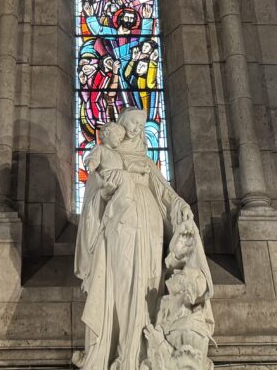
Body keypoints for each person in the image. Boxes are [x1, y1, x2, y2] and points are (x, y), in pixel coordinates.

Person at [74, 108, 193, 370]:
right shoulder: (108, 154)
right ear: (121, 123)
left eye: (141, 125)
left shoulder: (145, 160)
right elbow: (95, 185)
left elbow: (164, 190)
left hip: (150, 222)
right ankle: (123, 355)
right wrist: (106, 185)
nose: (138, 129)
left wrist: (180, 204)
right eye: (133, 123)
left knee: (149, 281)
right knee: (125, 282)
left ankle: (142, 353)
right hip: (121, 221)